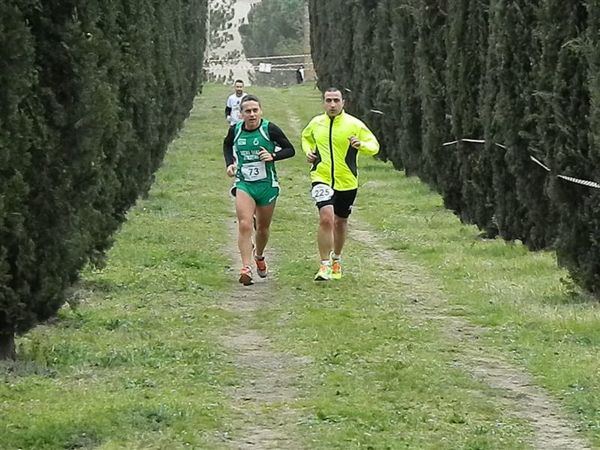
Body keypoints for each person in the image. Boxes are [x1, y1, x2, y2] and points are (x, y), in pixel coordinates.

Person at [301, 87, 380, 281]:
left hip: (347, 181)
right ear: (323, 103)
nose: (332, 104)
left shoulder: (354, 124)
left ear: (343, 102)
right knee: (326, 218)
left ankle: (336, 258)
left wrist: (361, 145)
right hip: (321, 178)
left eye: (336, 100)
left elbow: (374, 146)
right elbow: (306, 138)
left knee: (340, 222)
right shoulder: (316, 123)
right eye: (328, 100)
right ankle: (324, 264)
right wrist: (309, 152)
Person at [223, 94, 296, 285]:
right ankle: (246, 267)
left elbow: (290, 150)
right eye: (248, 111)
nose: (252, 114)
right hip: (244, 183)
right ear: (241, 114)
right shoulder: (235, 130)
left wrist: (272, 155)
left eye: (255, 110)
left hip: (266, 186)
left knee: (262, 228)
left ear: (260, 111)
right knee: (245, 223)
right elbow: (227, 144)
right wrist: (230, 163)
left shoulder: (269, 129)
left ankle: (259, 256)